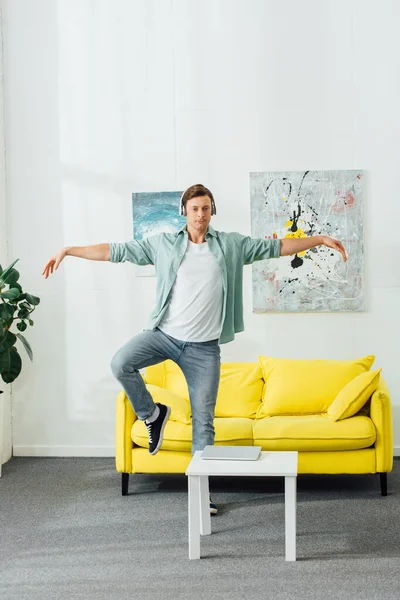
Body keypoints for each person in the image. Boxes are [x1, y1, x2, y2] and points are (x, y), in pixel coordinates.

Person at [42, 183, 347, 515]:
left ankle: (203, 496)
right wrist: (70, 249)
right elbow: (116, 251)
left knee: (204, 423)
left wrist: (317, 240)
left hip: (203, 350)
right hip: (164, 336)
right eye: (194, 209)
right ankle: (152, 414)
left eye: (205, 208)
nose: (200, 215)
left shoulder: (231, 245)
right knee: (121, 363)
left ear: (211, 210)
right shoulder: (163, 246)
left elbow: (276, 246)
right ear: (184, 212)